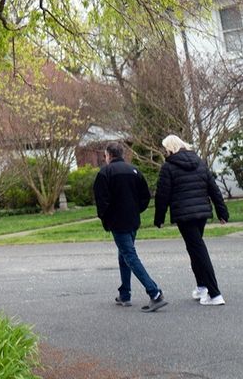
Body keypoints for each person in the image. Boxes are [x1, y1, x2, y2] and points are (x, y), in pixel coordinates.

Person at [154, 134, 229, 306]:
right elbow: (214, 189)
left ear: (170, 148)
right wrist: (222, 212)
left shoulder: (168, 167)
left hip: (184, 215)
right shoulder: (200, 163)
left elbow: (162, 195)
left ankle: (215, 293)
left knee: (198, 250)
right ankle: (202, 286)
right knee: (194, 249)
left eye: (165, 149)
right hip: (202, 212)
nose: (165, 152)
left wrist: (159, 218)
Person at [93, 141, 167, 312]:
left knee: (129, 255)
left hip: (117, 222)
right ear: (122, 154)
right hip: (133, 220)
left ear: (108, 155)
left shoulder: (105, 173)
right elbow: (145, 196)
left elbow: (101, 201)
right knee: (125, 254)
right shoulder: (134, 171)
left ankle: (154, 293)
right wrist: (136, 210)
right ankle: (125, 293)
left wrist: (106, 219)